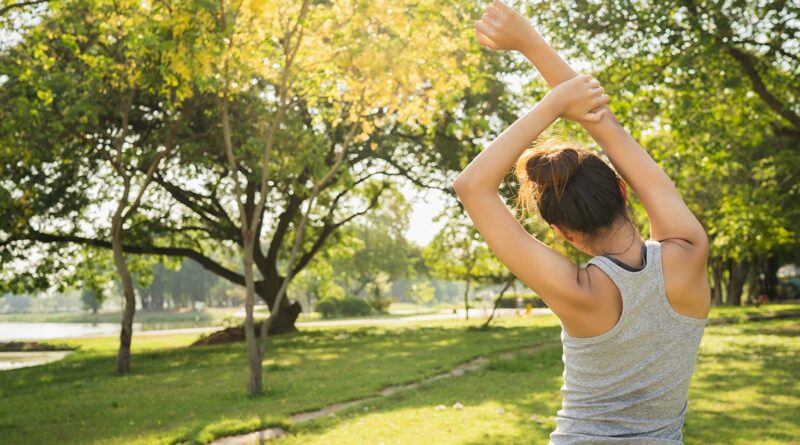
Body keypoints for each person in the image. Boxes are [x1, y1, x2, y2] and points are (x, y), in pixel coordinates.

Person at [453, 1, 711, 443]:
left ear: (563, 233)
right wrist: (532, 44)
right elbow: (604, 124)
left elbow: (472, 186)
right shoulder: (688, 252)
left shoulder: (579, 292)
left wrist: (553, 103)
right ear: (624, 191)